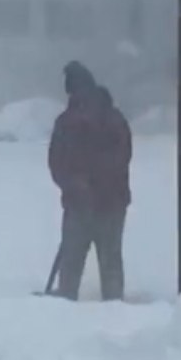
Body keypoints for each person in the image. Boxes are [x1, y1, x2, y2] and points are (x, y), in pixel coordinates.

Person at [47, 61, 133, 301]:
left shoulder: (67, 123)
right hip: (109, 203)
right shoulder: (114, 119)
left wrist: (77, 185)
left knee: (72, 262)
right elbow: (122, 157)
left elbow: (57, 163)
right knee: (110, 261)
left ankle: (66, 301)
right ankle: (114, 305)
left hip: (85, 203)